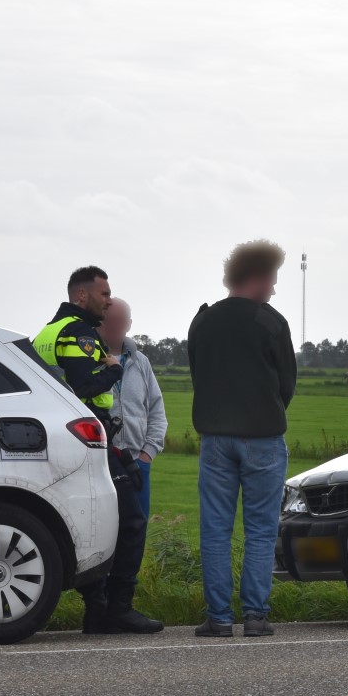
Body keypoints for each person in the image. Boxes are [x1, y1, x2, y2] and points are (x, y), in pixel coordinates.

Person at [33, 265, 163, 635]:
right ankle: (118, 608)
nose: (107, 300)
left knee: (96, 523)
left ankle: (97, 609)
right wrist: (114, 369)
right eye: (104, 294)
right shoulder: (77, 332)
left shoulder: (46, 333)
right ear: (82, 296)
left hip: (62, 438)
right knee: (132, 521)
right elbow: (85, 386)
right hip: (88, 437)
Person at [187, 241, 297, 638]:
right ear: (259, 276)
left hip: (215, 438)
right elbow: (287, 384)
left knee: (215, 530)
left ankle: (218, 619)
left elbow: (198, 375)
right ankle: (254, 616)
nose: (273, 288)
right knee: (261, 529)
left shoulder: (202, 321)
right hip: (264, 437)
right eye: (272, 279)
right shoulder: (271, 323)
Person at [97, 298, 168, 521]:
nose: (115, 326)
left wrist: (148, 453)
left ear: (129, 324)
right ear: (100, 322)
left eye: (121, 320)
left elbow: (157, 410)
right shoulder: (88, 359)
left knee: (137, 530)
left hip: (137, 462)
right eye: (109, 320)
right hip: (101, 463)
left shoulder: (141, 362)